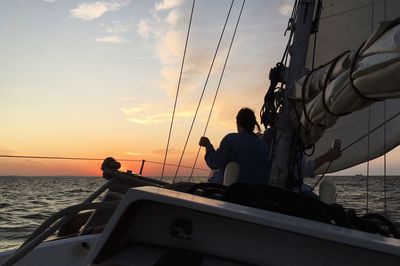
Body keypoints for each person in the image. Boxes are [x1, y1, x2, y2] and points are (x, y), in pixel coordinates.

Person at [199, 107, 270, 185]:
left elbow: (215, 163)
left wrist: (207, 145)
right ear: (253, 125)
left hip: (232, 193)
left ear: (238, 124)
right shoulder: (263, 145)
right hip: (256, 194)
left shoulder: (230, 139)